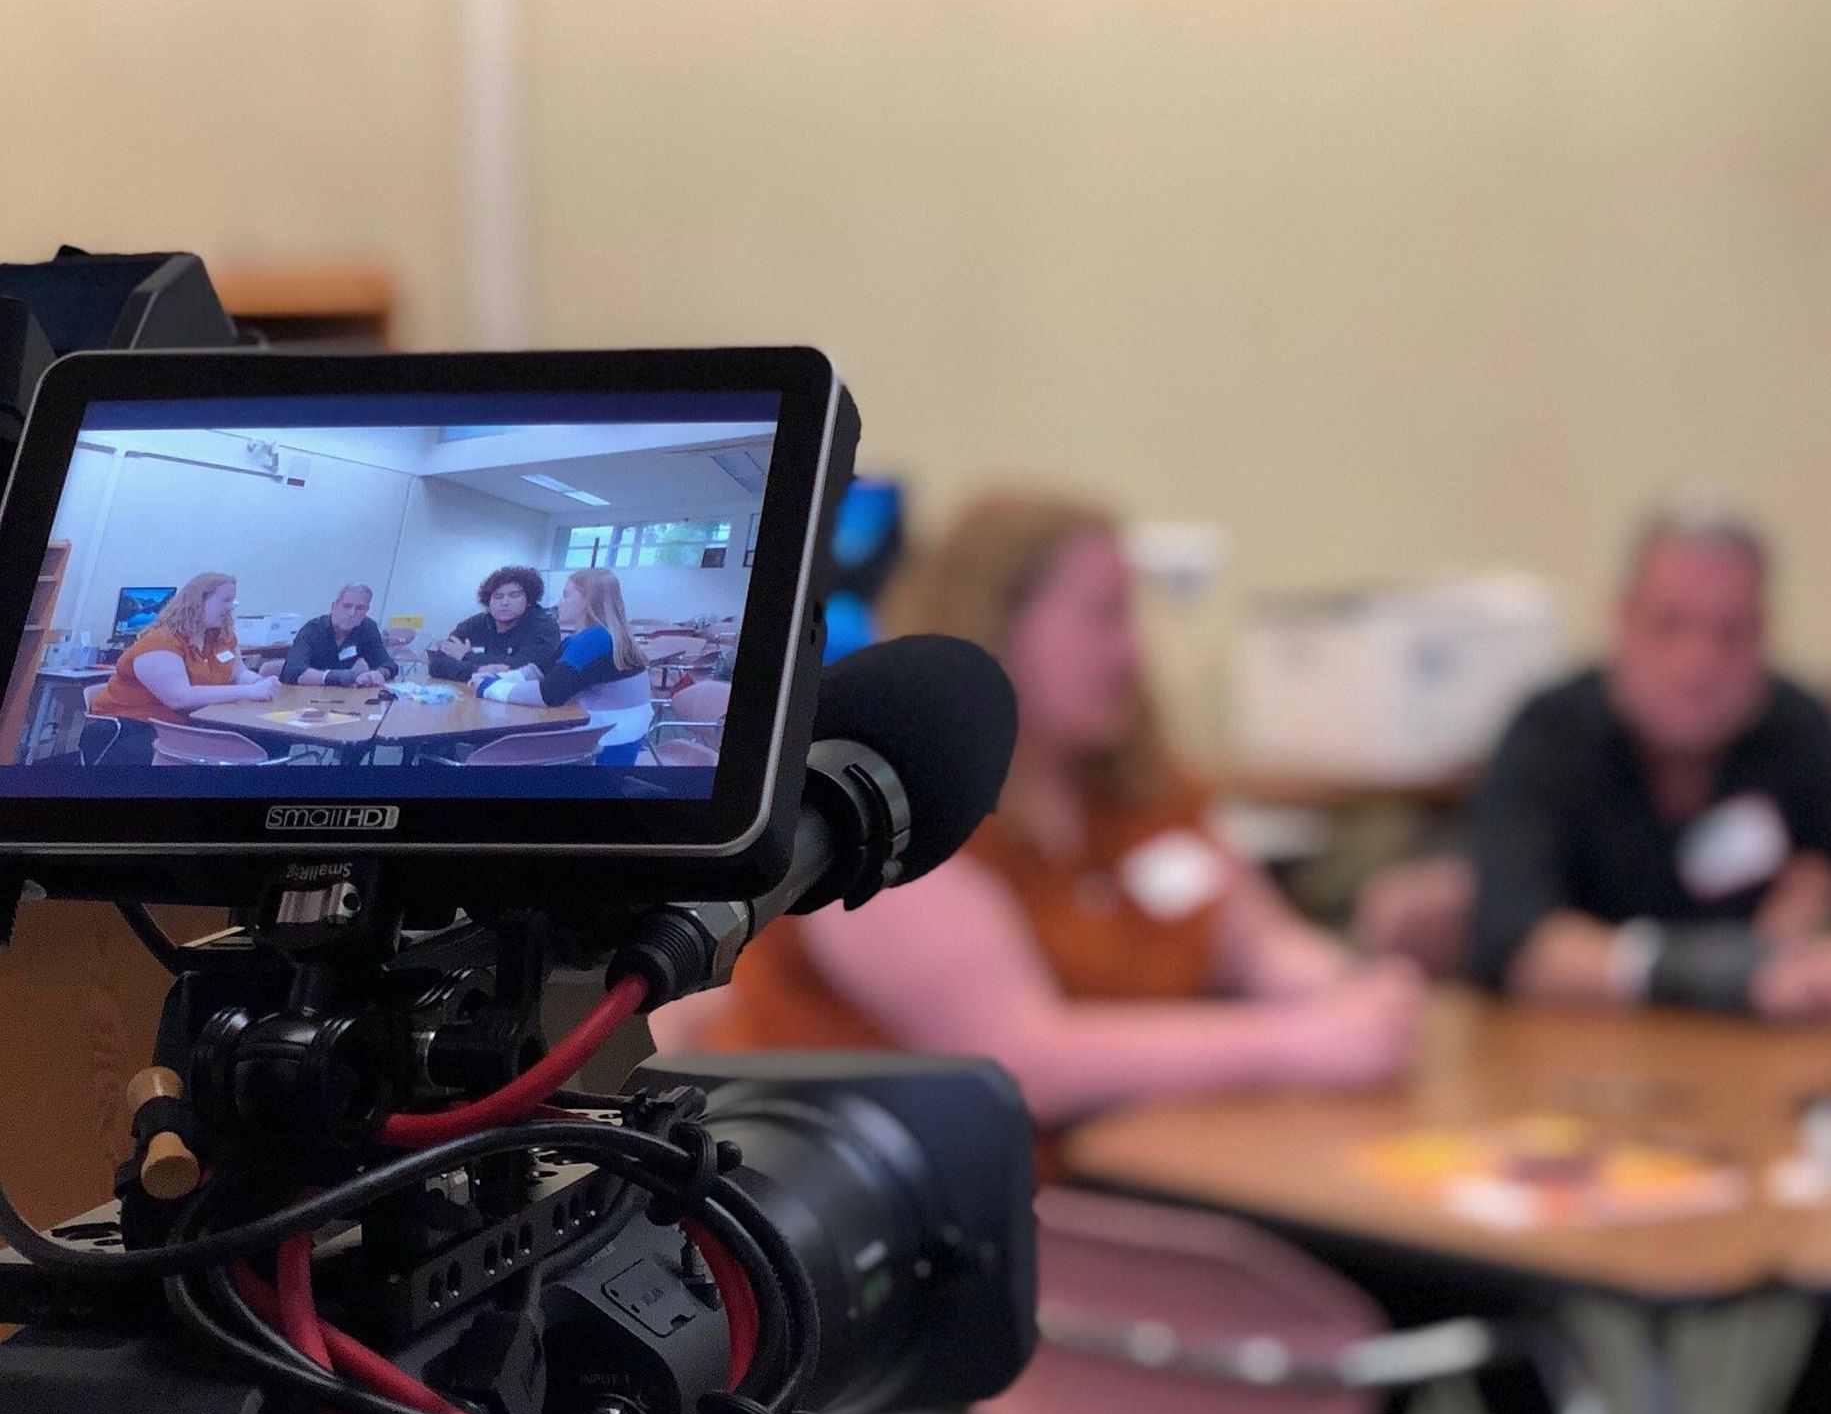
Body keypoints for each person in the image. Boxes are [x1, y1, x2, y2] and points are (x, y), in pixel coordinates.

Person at [703, 492, 1424, 1122]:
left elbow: (1260, 943)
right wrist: (1301, 1043)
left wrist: (1352, 991)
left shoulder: (1135, 789)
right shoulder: (889, 804)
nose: (1133, 651)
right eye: (1103, 615)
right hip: (898, 1221)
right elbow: (1021, 1060)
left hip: (1149, 1161)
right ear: (996, 623)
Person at [1470, 494, 1831, 1018]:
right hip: (1572, 1044)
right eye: (1670, 625)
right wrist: (1705, 970)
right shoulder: (1551, 733)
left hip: (1755, 1054)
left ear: (1763, 634)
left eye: (1731, 633)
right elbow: (1516, 942)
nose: (1698, 663)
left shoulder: (1803, 732)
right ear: (1622, 619)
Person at [85, 572, 279, 762]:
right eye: (225, 600)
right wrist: (248, 692)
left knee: (269, 742)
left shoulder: (220, 637)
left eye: (232, 601)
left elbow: (239, 673)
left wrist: (259, 682)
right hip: (134, 728)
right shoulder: (160, 642)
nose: (231, 608)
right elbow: (179, 698)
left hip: (189, 724)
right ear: (198, 601)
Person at [474, 567, 652, 764]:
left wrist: (489, 688)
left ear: (587, 601)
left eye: (566, 596)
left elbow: (549, 693)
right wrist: (501, 678)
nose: (559, 603)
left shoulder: (594, 639)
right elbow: (541, 670)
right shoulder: (601, 635)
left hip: (598, 752)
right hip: (620, 744)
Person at [425, 566, 561, 684]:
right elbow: (437, 664)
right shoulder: (477, 623)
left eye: (514, 596)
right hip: (476, 694)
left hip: (528, 703)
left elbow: (525, 669)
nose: (505, 602)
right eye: (497, 596)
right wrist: (478, 670)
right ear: (488, 602)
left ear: (529, 600)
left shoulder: (543, 626)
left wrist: (466, 656)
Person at [281, 583, 398, 689]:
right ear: (333, 607)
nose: (352, 613)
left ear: (367, 610)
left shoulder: (367, 628)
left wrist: (381, 673)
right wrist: (344, 677)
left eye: (360, 608)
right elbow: (292, 672)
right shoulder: (312, 629)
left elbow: (388, 664)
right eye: (347, 606)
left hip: (342, 695)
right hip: (304, 694)